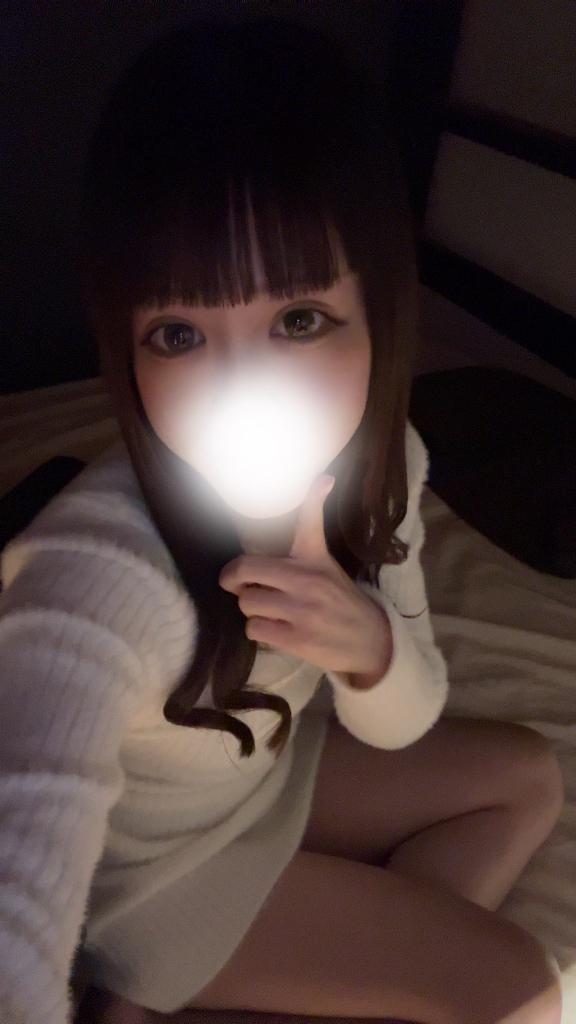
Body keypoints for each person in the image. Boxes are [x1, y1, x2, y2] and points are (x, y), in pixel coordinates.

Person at [0, 14, 563, 1024]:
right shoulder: (98, 572)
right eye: (179, 334)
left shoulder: (386, 465)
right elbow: (20, 861)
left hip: (265, 784)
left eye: (298, 319)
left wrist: (368, 646)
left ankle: (311, 984)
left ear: (380, 314)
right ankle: (161, 983)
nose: (241, 389)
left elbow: (401, 724)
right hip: (151, 877)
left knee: (524, 774)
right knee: (514, 985)